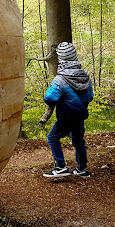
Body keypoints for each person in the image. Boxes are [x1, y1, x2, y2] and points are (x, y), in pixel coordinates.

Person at [40, 42, 94, 179]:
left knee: (52, 138)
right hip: (80, 115)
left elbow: (50, 98)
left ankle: (60, 167)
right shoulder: (84, 76)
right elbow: (90, 96)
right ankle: (82, 169)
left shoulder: (60, 79)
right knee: (78, 141)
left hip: (66, 116)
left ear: (61, 59)